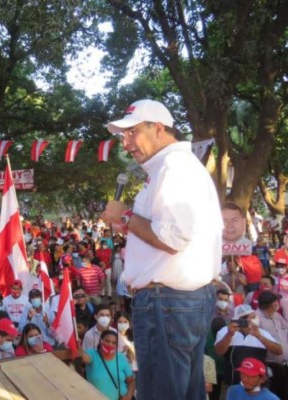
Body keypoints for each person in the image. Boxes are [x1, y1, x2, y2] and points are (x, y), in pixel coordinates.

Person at [102, 99, 222, 400]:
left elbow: (172, 238)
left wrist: (126, 216)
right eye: (122, 136)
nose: (126, 144)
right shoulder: (169, 168)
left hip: (166, 302)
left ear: (158, 128)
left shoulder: (175, 167)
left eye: (132, 133)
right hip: (176, 303)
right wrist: (130, 224)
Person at [214, 304, 282, 385]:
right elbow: (219, 352)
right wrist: (229, 334)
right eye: (252, 317)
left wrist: (259, 336)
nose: (256, 319)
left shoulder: (262, 332)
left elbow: (279, 351)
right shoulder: (225, 331)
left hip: (258, 384)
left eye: (255, 317)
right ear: (241, 320)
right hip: (234, 382)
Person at [81, 330, 135, 400]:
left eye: (114, 343)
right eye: (107, 341)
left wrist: (128, 396)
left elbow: (131, 381)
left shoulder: (121, 357)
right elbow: (82, 357)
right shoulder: (92, 354)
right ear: (101, 341)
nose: (110, 344)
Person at [255, 291, 288, 399]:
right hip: (271, 367)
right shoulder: (256, 319)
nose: (277, 303)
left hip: (284, 365)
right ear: (270, 305)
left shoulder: (277, 315)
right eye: (275, 302)